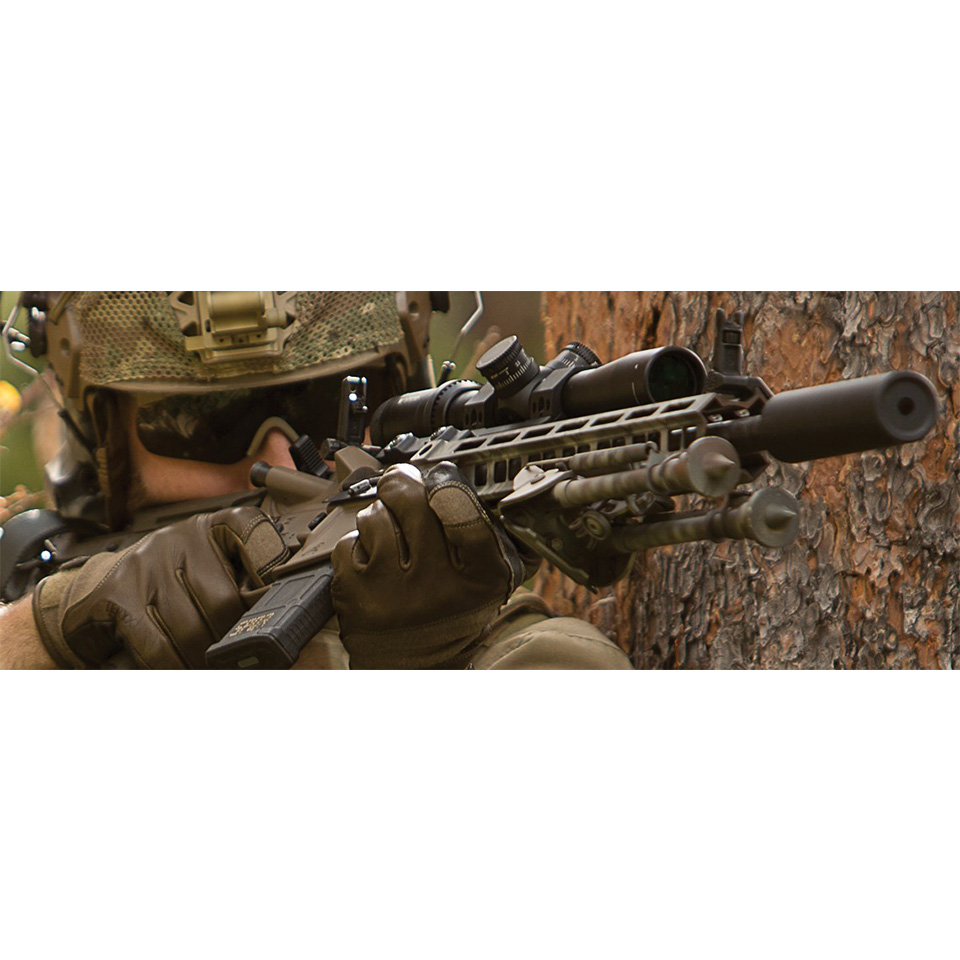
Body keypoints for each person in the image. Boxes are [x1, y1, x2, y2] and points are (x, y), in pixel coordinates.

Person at [0, 291, 631, 670]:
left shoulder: (501, 643)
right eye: (205, 420)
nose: (281, 456)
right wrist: (51, 627)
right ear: (102, 440)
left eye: (331, 406)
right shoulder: (39, 609)